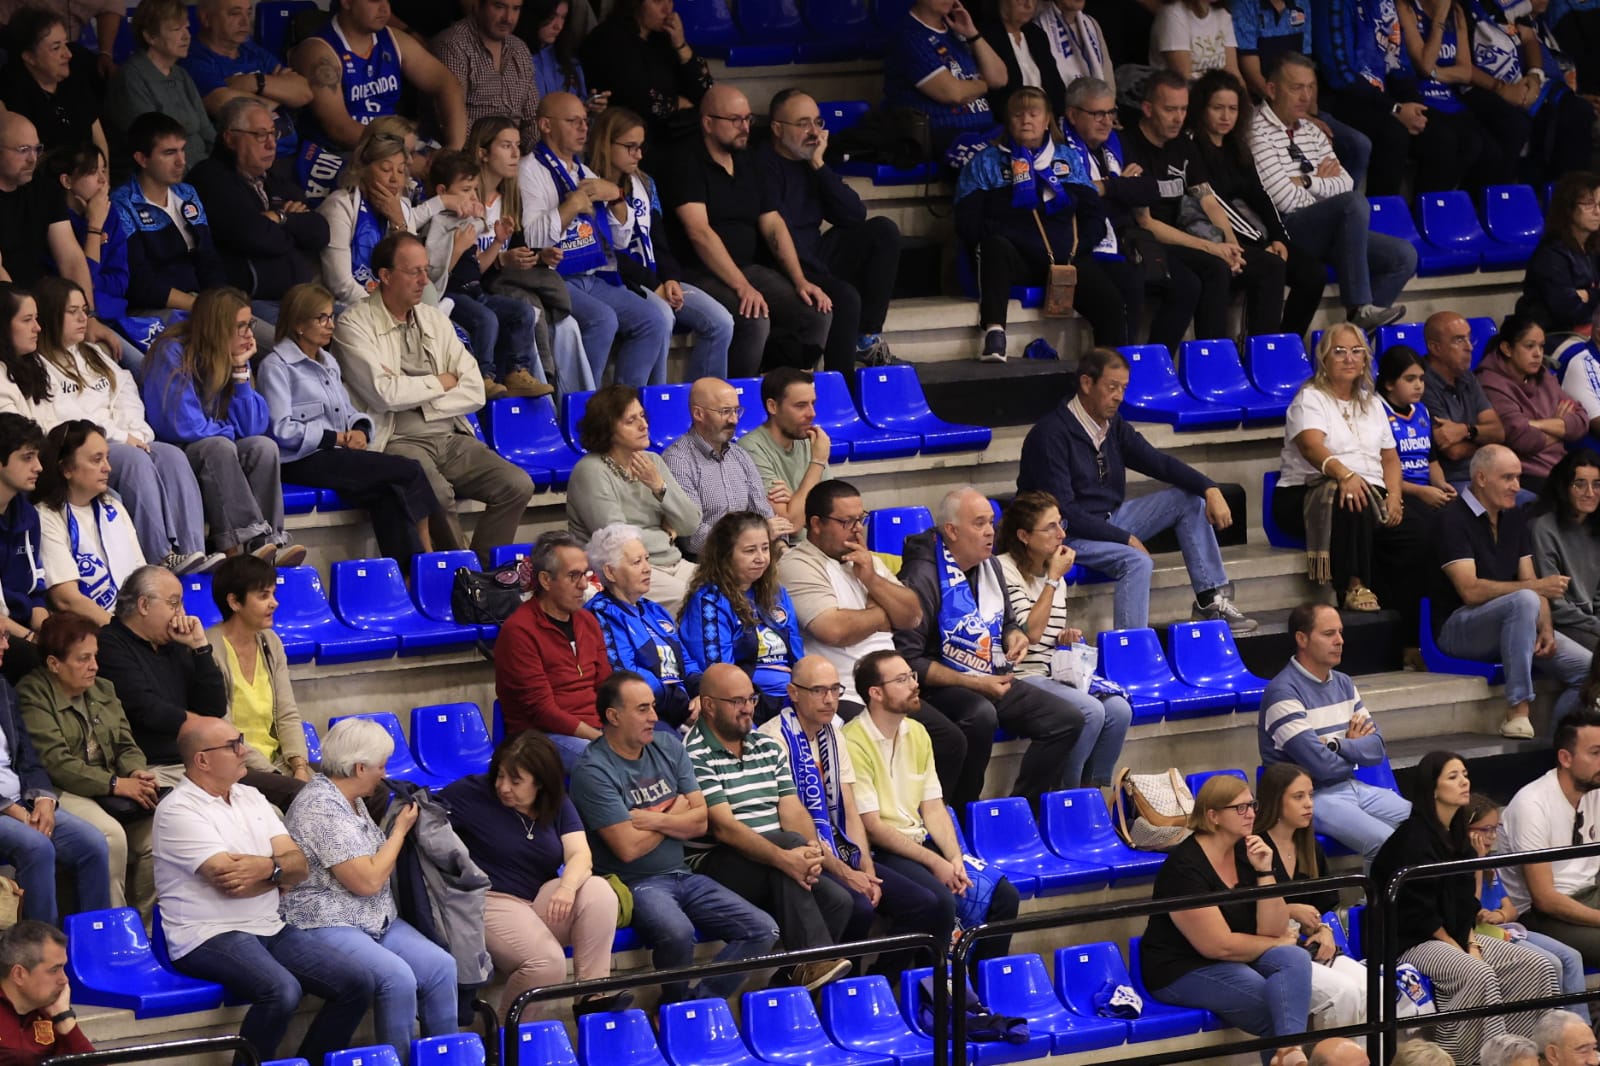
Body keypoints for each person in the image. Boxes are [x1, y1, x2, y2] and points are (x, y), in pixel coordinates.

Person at [154, 715, 374, 1065]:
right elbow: (231, 884)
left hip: (269, 926)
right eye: (233, 745)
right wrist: (277, 870)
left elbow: (300, 865)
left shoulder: (251, 796)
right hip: (207, 935)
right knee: (281, 991)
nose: (245, 751)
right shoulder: (177, 810)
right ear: (202, 760)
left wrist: (267, 868)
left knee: (358, 982)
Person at [569, 670, 780, 1004]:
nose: (654, 717)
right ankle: (676, 1005)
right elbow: (627, 848)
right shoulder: (593, 770)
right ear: (613, 716)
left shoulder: (666, 745)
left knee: (763, 929)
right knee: (677, 932)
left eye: (653, 707)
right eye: (642, 709)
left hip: (684, 874)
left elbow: (700, 822)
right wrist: (676, 810)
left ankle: (691, 1008)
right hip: (635, 882)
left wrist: (652, 819)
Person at [1017, 346, 1257, 632]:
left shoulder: (1113, 425)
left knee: (1188, 499)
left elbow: (1158, 463)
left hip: (1109, 521)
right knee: (1136, 561)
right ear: (1086, 384)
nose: (1119, 396)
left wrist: (1209, 488)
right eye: (1112, 387)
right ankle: (1131, 648)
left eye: (1124, 388)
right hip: (1066, 535)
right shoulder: (1050, 435)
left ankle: (1210, 601)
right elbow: (1065, 510)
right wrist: (1125, 538)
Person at [332, 231, 536, 561]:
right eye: (415, 272)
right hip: (397, 439)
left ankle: (482, 573)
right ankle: (461, 575)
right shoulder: (354, 325)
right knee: (436, 494)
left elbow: (473, 390)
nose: (424, 280)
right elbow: (385, 395)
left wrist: (417, 392)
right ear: (385, 276)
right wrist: (441, 381)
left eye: (426, 270)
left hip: (450, 432)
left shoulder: (435, 318)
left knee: (517, 484)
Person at [894, 486, 1086, 812]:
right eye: (979, 523)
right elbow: (910, 660)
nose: (990, 532)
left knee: (1067, 718)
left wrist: (1014, 637)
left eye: (991, 522)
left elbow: (1010, 622)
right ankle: (962, 809)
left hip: (989, 673)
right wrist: (974, 684)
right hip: (936, 686)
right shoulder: (922, 575)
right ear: (951, 531)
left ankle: (1018, 812)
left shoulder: (990, 566)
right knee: (979, 714)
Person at [776, 480, 976, 794]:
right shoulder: (799, 565)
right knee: (888, 745)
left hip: (892, 683)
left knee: (951, 741)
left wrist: (871, 579)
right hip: (844, 691)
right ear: (816, 524)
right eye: (846, 522)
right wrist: (886, 616)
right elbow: (834, 630)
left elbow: (912, 615)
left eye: (861, 519)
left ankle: (928, 826)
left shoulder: (867, 560)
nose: (857, 529)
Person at [2, 279, 212, 572]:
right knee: (135, 460)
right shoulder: (36, 365)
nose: (82, 319)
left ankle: (194, 552)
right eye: (72, 311)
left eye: (84, 311)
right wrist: (119, 436)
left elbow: (126, 392)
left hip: (123, 438)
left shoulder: (93, 354)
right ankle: (160, 557)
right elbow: (60, 418)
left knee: (171, 455)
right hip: (82, 447)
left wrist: (137, 431)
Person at [758, 654, 949, 976]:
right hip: (800, 854)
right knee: (856, 907)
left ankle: (878, 987)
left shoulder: (835, 730)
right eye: (819, 691)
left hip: (841, 849)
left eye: (835, 689)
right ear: (793, 693)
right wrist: (848, 875)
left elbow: (848, 806)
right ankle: (827, 989)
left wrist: (867, 870)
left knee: (925, 904)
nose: (830, 699)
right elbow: (793, 823)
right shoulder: (772, 739)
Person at [281, 718, 457, 1063]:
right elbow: (368, 880)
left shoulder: (352, 799)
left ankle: (446, 1058)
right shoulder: (319, 807)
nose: (384, 773)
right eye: (381, 766)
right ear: (359, 767)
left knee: (442, 968)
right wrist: (399, 832)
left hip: (374, 917)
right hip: (327, 921)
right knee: (398, 978)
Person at [1372, 752, 1564, 1063]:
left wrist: (1470, 941)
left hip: (1458, 934)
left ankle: (1523, 1057)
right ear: (1433, 789)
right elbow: (1417, 913)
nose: (1464, 781)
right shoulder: (1411, 840)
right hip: (1413, 942)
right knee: (1478, 974)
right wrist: (1459, 948)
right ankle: (1466, 1059)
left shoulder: (1459, 837)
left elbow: (1464, 903)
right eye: (1453, 776)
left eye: (1465, 773)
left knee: (1535, 966)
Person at [843, 649, 1020, 970]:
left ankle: (981, 995)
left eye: (912, 675)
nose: (914, 684)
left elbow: (934, 807)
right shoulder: (852, 741)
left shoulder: (919, 732)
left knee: (1004, 895)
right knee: (937, 901)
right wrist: (936, 862)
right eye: (902, 679)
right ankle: (896, 987)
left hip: (918, 843)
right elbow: (872, 827)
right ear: (876, 693)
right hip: (881, 850)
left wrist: (953, 857)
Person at [684, 662, 854, 988]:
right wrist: (788, 857)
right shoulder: (694, 754)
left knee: (840, 901)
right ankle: (814, 961)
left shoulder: (766, 745)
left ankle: (787, 988)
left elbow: (792, 809)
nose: (747, 708)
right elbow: (724, 829)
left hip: (772, 856)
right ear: (708, 705)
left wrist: (811, 852)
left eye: (751, 699)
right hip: (716, 862)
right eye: (737, 701)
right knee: (788, 850)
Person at [440, 730, 625, 1020]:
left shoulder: (556, 803)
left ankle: (590, 996)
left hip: (535, 901)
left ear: (539, 782)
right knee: (548, 963)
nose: (503, 787)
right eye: (500, 776)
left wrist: (566, 888)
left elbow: (580, 855)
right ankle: (506, 1041)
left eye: (515, 781)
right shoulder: (472, 793)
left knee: (598, 891)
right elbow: (422, 814)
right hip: (489, 900)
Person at [258, 282, 438, 571]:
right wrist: (337, 437)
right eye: (322, 318)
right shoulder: (276, 366)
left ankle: (406, 575)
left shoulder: (328, 361)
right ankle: (427, 554)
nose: (331, 325)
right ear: (299, 325)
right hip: (300, 459)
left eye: (331, 317)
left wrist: (359, 430)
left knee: (387, 493)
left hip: (334, 453)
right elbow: (281, 430)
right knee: (409, 469)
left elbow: (347, 410)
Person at [1140, 774, 1314, 1066]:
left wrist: (1264, 872)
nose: (1252, 814)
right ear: (1213, 816)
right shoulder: (1184, 868)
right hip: (1181, 968)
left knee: (1294, 958)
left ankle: (1287, 1053)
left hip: (1235, 955)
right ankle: (1289, 1053)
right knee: (1276, 1006)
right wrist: (1276, 942)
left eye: (1252, 805)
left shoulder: (1248, 852)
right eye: (1241, 808)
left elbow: (1273, 929)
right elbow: (1217, 946)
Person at [661, 85, 834, 379]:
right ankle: (736, 403)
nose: (744, 128)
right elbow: (699, 232)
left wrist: (800, 280)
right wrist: (742, 286)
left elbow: (772, 223)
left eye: (748, 119)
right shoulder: (685, 161)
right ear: (708, 123)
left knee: (815, 313)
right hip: (696, 271)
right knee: (753, 317)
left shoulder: (748, 159)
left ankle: (789, 395)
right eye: (735, 120)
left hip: (746, 267)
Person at [954, 87, 1135, 360]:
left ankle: (1108, 372)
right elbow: (967, 222)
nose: (1026, 120)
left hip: (1068, 260)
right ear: (1008, 120)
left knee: (1110, 302)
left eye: (1033, 113)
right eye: (1018, 114)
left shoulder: (1067, 159)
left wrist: (1077, 249)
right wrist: (1017, 237)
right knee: (993, 247)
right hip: (1018, 259)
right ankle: (994, 333)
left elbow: (1094, 216)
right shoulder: (986, 163)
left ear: (1047, 119)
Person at [1274, 324, 1431, 628]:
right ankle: (1352, 586)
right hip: (1305, 493)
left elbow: (1390, 458)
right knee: (1352, 496)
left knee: (1420, 533)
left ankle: (1409, 629)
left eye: (1356, 352)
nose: (1349, 358)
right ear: (1324, 359)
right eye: (1340, 351)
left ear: (1365, 360)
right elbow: (1310, 446)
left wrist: (1395, 496)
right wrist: (1345, 475)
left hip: (1373, 491)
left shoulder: (1372, 404)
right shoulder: (1309, 399)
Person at [520, 91, 674, 390]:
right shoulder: (530, 171)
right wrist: (571, 206)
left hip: (593, 275)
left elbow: (619, 238)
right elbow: (532, 238)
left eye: (584, 121)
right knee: (602, 320)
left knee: (653, 320)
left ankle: (626, 405)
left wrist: (616, 196)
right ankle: (583, 413)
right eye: (572, 121)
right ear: (546, 125)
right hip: (554, 277)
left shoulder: (584, 171)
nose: (583, 128)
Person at [1251, 52, 1415, 331]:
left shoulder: (1311, 130)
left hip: (1329, 227)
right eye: (1296, 88)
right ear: (1271, 89)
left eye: (1311, 87)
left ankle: (1354, 338)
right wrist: (1323, 185)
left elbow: (1346, 181)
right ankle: (1359, 307)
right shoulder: (1256, 131)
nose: (1305, 96)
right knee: (1352, 203)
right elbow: (1283, 199)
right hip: (1290, 229)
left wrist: (1307, 181)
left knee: (1403, 256)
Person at [142, 287, 307, 563]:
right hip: (177, 456)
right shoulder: (172, 351)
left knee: (262, 447)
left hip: (219, 451)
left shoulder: (232, 354)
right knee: (218, 446)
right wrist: (228, 431)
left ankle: (267, 542)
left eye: (249, 324)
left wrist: (241, 373)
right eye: (240, 326)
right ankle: (246, 542)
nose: (249, 334)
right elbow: (183, 425)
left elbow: (253, 427)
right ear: (216, 328)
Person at [1435, 444, 1589, 738]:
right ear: (1481, 478)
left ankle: (1557, 747)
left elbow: (1529, 579)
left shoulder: (1514, 518)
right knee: (1524, 598)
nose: (1517, 487)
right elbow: (1469, 590)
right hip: (1456, 629)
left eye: (1518, 478)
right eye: (1508, 478)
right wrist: (1535, 591)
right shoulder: (1452, 519)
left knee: (1589, 670)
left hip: (1516, 622)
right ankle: (1517, 708)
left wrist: (1544, 625)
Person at [1123, 72, 1289, 344]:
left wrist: (1234, 247)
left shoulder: (1183, 145)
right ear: (1148, 109)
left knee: (1270, 266)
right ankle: (1211, 358)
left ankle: (1263, 356)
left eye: (1183, 109)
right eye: (1170, 110)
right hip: (1152, 240)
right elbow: (1146, 223)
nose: (1178, 118)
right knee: (1214, 267)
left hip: (1186, 235)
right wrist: (1214, 248)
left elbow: (1207, 199)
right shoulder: (1130, 147)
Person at [18, 611, 159, 913]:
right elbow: (55, 761)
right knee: (112, 837)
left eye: (95, 656)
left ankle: (144, 930)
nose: (94, 666)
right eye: (83, 659)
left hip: (112, 785)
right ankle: (111, 931)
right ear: (54, 663)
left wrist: (137, 771)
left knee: (157, 834)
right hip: (63, 789)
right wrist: (115, 784)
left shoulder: (103, 688)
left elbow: (125, 742)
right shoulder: (32, 693)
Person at [755, 89, 901, 371]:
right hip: (782, 262)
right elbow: (775, 232)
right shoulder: (762, 165)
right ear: (776, 128)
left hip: (816, 251)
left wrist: (819, 165)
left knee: (883, 230)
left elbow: (854, 215)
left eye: (818, 122)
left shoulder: (812, 160)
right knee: (844, 296)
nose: (813, 131)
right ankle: (842, 389)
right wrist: (810, 278)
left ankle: (866, 337)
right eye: (803, 123)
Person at [586, 105, 733, 383]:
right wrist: (653, 284)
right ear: (606, 144)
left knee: (721, 322)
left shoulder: (644, 182)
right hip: (615, 279)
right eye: (630, 147)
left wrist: (671, 278)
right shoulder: (589, 184)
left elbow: (657, 238)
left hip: (654, 275)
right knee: (661, 316)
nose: (638, 155)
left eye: (641, 147)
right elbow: (607, 249)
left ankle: (701, 404)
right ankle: (637, 404)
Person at [995, 491, 1132, 788]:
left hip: (1050, 673)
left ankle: (1090, 794)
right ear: (1023, 536)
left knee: (1119, 710)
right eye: (1051, 527)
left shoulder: (1056, 575)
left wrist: (1062, 639)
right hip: (1020, 677)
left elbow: (1043, 633)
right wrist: (1052, 580)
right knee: (1091, 711)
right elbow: (1028, 633)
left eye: (1061, 524)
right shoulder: (1003, 569)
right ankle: (1064, 798)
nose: (1062, 534)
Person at [1259, 603, 1410, 861]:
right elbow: (1322, 768)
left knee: (1427, 825)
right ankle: (1379, 902)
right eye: (1329, 634)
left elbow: (1377, 749)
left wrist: (1336, 746)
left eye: (1340, 632)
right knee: (1384, 842)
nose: (1340, 641)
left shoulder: (1343, 683)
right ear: (1302, 639)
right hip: (1306, 798)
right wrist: (1352, 751)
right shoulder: (1283, 693)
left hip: (1352, 787)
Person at [1183, 69, 1325, 341]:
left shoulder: (1237, 145)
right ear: (1202, 109)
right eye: (1218, 108)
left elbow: (1259, 194)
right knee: (1270, 267)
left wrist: (1279, 237)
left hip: (1254, 234)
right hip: (1218, 235)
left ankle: (1285, 342)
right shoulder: (1192, 146)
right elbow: (1213, 203)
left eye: (1233, 109)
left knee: (1312, 274)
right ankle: (1262, 350)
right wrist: (1261, 242)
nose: (1226, 117)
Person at [289, 0, 467, 201]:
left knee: (459, 177)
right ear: (346, 2)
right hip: (344, 152)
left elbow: (447, 84)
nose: (385, 9)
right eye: (374, 0)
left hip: (396, 145)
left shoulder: (393, 38)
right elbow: (338, 126)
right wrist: (401, 156)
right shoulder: (318, 50)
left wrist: (453, 148)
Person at [1311, 0, 1484, 199]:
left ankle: (1427, 218)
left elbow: (1400, 66)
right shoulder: (1334, 5)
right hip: (1343, 100)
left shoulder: (1385, 4)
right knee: (1394, 134)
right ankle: (1382, 220)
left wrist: (1414, 106)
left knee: (1459, 138)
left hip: (1381, 98)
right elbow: (1340, 77)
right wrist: (1395, 108)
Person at [0, 624, 111, 924]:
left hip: (21, 799)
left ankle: (94, 941)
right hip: (4, 808)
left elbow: (27, 755)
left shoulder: (2, 688)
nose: (7, 646)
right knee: (37, 846)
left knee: (92, 843)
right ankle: (43, 952)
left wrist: (43, 799)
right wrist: (9, 809)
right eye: (0, 637)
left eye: (6, 636)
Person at [420, 151, 549, 403]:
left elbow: (476, 268)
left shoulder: (465, 222)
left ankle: (516, 372)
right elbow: (433, 276)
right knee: (486, 320)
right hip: (451, 297)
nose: (473, 196)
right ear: (443, 191)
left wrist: (498, 241)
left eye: (475, 189)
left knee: (522, 311)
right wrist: (457, 248)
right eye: (466, 189)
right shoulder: (436, 223)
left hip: (475, 292)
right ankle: (483, 377)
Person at [1254, 763, 1369, 1030]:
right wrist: (1290, 909)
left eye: (1310, 795)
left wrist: (1324, 930)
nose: (1309, 804)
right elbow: (1248, 911)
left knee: (1373, 987)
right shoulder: (1253, 847)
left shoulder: (1309, 845)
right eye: (1298, 797)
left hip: (1308, 947)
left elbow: (1326, 905)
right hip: (1269, 951)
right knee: (1345, 993)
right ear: (1275, 801)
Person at [566, 384, 699, 613]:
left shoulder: (652, 462)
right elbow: (618, 541)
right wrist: (663, 534)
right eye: (631, 421)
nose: (643, 425)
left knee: (725, 589)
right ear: (608, 430)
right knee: (689, 599)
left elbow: (690, 524)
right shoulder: (591, 471)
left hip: (674, 563)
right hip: (622, 572)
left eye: (642, 416)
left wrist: (659, 486)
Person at [188, 97, 328, 311]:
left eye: (273, 133)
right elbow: (253, 235)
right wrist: (292, 228)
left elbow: (320, 231)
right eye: (260, 135)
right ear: (230, 139)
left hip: (298, 298)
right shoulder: (209, 178)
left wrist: (279, 218)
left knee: (347, 323)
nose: (272, 144)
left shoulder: (273, 177)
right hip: (248, 304)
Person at [1466, 795, 1589, 1027]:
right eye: (1486, 830)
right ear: (1467, 831)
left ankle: (1580, 1031)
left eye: (1495, 829)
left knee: (1571, 957)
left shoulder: (1492, 864)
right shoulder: (1464, 867)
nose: (1492, 837)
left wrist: (1500, 915)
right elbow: (1469, 909)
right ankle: (1553, 1033)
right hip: (1482, 935)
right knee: (1550, 963)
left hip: (1507, 929)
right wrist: (1477, 862)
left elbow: (1511, 909)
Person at [495, 532, 613, 769]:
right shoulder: (519, 631)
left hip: (594, 730)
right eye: (573, 576)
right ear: (546, 580)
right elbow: (543, 711)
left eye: (586, 575)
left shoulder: (587, 621)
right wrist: (599, 739)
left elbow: (606, 685)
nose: (584, 585)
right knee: (603, 762)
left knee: (660, 749)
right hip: (541, 738)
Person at [206, 555, 311, 805]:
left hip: (279, 764)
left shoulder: (270, 641)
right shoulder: (209, 648)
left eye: (274, 594)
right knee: (310, 801)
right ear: (234, 602)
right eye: (263, 596)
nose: (274, 603)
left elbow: (287, 714)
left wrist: (299, 766)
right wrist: (279, 776)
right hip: (237, 765)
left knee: (365, 790)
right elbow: (224, 730)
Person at [317, 122, 457, 310]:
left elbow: (415, 270)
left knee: (428, 292)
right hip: (343, 306)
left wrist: (398, 221)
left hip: (391, 305)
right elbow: (341, 284)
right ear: (363, 169)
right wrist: (386, 312)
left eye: (400, 171)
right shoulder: (340, 206)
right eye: (385, 169)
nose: (394, 179)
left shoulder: (403, 209)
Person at [1499, 709, 1600, 969]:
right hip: (1542, 914)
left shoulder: (1594, 790)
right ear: (1566, 758)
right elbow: (1545, 898)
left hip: (1590, 892)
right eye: (1596, 753)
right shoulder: (1531, 804)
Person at [680, 512, 804, 716]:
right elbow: (720, 674)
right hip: (751, 704)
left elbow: (797, 652)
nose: (761, 558)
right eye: (749, 551)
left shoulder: (776, 593)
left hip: (793, 696)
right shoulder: (710, 601)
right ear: (725, 554)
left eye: (765, 548)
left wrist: (806, 688)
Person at [109, 112, 229, 321]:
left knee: (263, 335)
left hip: (202, 302)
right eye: (169, 153)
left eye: (182, 150)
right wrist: (200, 306)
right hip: (153, 311)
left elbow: (209, 258)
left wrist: (222, 301)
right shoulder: (122, 204)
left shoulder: (188, 193)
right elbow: (140, 281)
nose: (181, 161)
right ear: (142, 159)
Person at [586, 523, 703, 731]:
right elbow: (626, 674)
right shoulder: (601, 614)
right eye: (636, 562)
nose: (647, 568)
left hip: (683, 709)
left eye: (647, 559)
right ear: (610, 573)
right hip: (647, 716)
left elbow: (685, 660)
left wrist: (700, 693)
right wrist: (682, 705)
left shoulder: (653, 610)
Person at [1393, 0, 1522, 188]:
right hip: (1421, 98)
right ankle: (1430, 209)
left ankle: (1469, 210)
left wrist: (1436, 73)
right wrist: (1439, 18)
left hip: (1451, 100)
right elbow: (1424, 63)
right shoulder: (1406, 7)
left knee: (1490, 150)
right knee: (1448, 142)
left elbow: (1465, 71)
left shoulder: (1456, 12)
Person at [33, 420, 146, 626]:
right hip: (93, 633)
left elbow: (143, 577)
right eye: (97, 460)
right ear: (66, 468)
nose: (108, 468)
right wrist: (124, 635)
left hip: (133, 625)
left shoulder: (114, 508)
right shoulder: (45, 516)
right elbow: (66, 599)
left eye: (107, 458)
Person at [662, 378, 784, 554]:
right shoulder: (679, 460)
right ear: (698, 414)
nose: (734, 420)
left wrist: (781, 548)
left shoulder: (739, 455)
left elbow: (765, 515)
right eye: (725, 411)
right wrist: (756, 535)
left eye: (736, 411)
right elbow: (693, 538)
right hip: (711, 564)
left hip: (756, 555)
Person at [578, 0, 713, 153]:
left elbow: (706, 93)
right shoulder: (609, 39)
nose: (667, 9)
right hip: (629, 139)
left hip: (671, 135)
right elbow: (641, 101)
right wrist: (677, 102)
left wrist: (681, 44)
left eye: (670, 0)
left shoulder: (664, 38)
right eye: (657, 1)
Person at [1478, 314, 1587, 492]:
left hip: (1559, 469)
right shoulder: (1490, 383)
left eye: (1541, 346)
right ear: (1507, 348)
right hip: (1524, 476)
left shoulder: (1543, 376)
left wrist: (1536, 424)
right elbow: (1524, 440)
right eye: (1529, 346)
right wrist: (1559, 427)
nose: (1538, 354)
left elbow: (1581, 421)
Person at [183, 0, 313, 149]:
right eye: (235, 13)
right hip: (245, 160)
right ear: (206, 18)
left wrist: (255, 82)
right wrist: (281, 95)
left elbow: (305, 93)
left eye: (249, 12)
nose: (246, 21)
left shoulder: (250, 49)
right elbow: (225, 105)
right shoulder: (194, 58)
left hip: (293, 151)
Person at [884, 0, 1006, 155]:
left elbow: (999, 79)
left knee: (1032, 150)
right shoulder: (908, 35)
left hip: (987, 130)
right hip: (943, 134)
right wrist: (983, 84)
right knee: (997, 168)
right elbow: (953, 93)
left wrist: (973, 34)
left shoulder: (957, 30)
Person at [104, 0, 214, 170]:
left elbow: (207, 131)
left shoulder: (181, 74)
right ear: (150, 36)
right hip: (172, 175)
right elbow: (153, 144)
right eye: (177, 29)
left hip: (203, 168)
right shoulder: (132, 77)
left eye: (186, 27)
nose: (187, 36)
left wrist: (222, 165)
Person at [432, 0, 541, 154]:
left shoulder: (519, 48)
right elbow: (449, 117)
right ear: (477, 5)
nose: (508, 18)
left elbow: (533, 117)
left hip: (515, 157)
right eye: (499, 6)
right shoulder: (453, 45)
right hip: (467, 158)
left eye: (515, 9)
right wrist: (495, 153)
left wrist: (519, 152)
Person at [0, 9, 107, 158]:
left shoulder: (75, 74)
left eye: (66, 44)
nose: (68, 54)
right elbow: (25, 161)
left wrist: (103, 176)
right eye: (56, 48)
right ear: (29, 57)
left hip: (87, 173)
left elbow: (99, 139)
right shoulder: (12, 91)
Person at [737, 368, 831, 534]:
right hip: (788, 551)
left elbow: (832, 514)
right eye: (801, 406)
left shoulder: (810, 440)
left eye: (813, 403)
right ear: (772, 406)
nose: (812, 414)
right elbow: (790, 524)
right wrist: (818, 461)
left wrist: (795, 499)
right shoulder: (750, 448)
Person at [1423, 310, 1510, 489]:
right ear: (1435, 348)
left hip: (1486, 475)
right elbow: (1453, 451)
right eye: (1459, 340)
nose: (1469, 347)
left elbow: (1499, 432)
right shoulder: (1422, 384)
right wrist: (1485, 441)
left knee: (1529, 504)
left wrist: (1466, 431)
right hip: (1452, 482)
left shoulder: (1467, 377)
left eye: (1469, 338)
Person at [1520, 172, 1600, 355]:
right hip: (1553, 336)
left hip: (1589, 331)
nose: (1597, 212)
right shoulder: (1551, 255)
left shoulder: (1593, 249)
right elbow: (1569, 311)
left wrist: (1588, 294)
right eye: (1589, 205)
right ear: (1569, 208)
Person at [1377, 345, 1458, 519]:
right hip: (1396, 492)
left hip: (1426, 490)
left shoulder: (1422, 410)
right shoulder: (1376, 410)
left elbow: (1432, 460)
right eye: (1410, 379)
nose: (1418, 386)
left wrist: (1441, 485)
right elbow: (1380, 471)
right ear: (1389, 383)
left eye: (1421, 379)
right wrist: (1420, 492)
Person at [1533, 449, 1600, 652]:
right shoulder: (1543, 528)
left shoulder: (1596, 528)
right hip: (1561, 625)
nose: (1590, 493)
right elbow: (1555, 603)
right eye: (1580, 484)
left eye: (1597, 484)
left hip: (1590, 624)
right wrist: (1596, 625)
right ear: (1564, 487)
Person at [0, 922, 93, 1064]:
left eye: (63, 968)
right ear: (19, 974)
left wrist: (64, 1017)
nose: (64, 980)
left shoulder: (49, 1013)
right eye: (54, 970)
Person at [0, 415, 47, 662]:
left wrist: (50, 633)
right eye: (27, 458)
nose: (38, 467)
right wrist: (30, 638)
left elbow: (36, 590)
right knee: (33, 657)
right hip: (6, 633)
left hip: (20, 624)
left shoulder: (27, 515)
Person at [979, 0, 1067, 117]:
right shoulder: (985, 35)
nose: (1029, 5)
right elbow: (997, 95)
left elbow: (1056, 88)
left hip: (1047, 122)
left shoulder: (1037, 35)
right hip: (1010, 122)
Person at [521, 0, 598, 107]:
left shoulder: (568, 59)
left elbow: (580, 103)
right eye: (552, 17)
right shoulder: (515, 56)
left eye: (563, 17)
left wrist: (590, 108)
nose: (558, 26)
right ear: (537, 14)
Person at [1150, 0, 1240, 81]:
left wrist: (1245, 99)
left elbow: (1233, 73)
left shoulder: (1223, 14)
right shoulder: (1173, 14)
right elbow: (1184, 80)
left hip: (1219, 94)